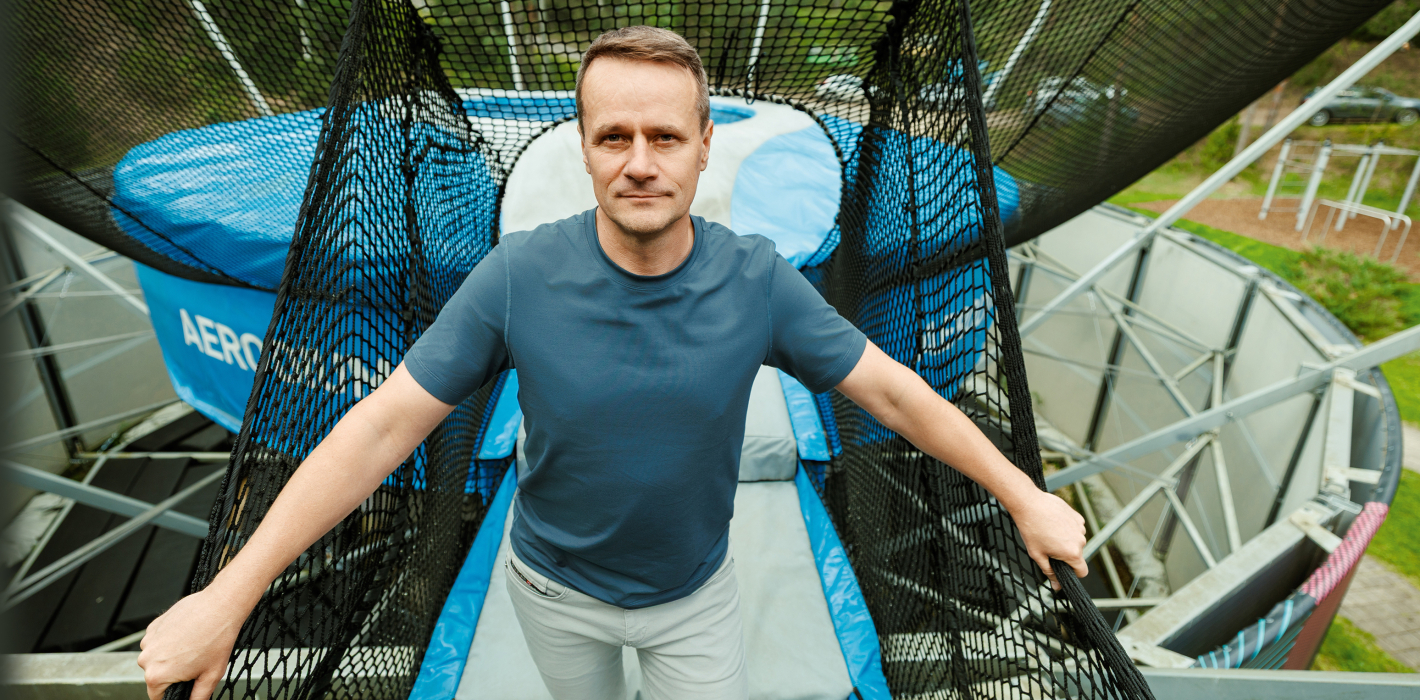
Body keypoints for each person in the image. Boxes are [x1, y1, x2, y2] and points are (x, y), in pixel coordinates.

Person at [138, 25, 1087, 700]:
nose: (640, 162)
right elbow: (383, 426)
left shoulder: (756, 281)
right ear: (585, 150)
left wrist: (1022, 494)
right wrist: (231, 595)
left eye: (665, 136)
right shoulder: (519, 277)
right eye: (615, 137)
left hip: (695, 602)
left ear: (704, 147)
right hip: (551, 593)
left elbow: (892, 392)